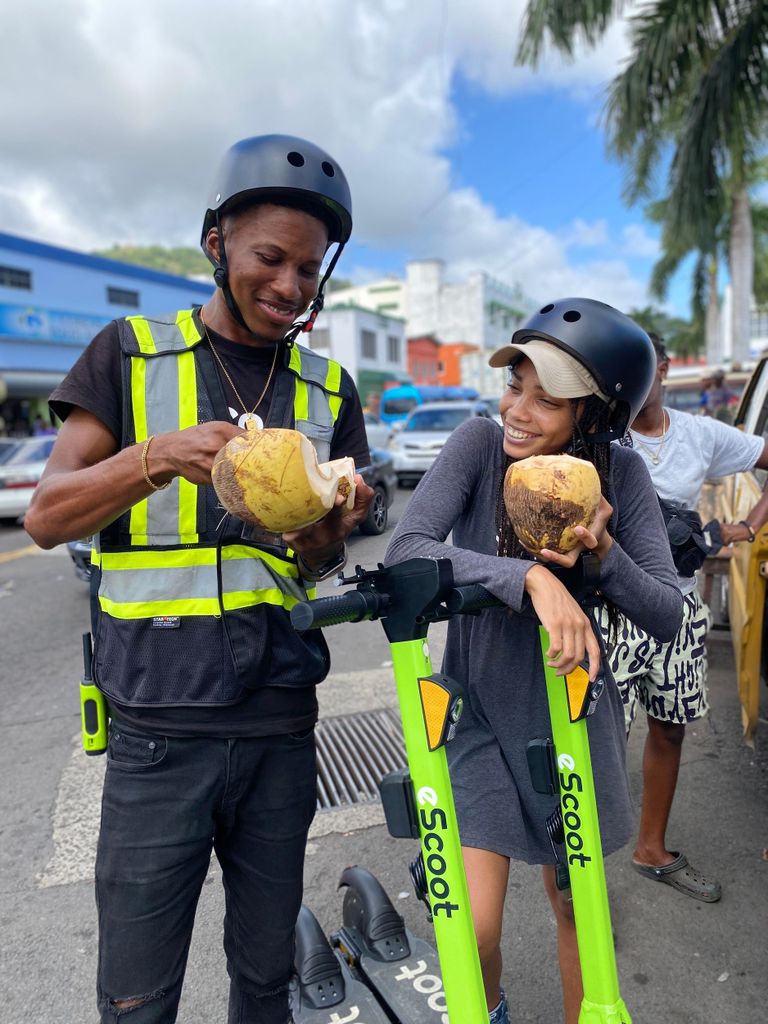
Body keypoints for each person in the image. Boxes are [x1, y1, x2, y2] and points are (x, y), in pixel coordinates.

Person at [25, 134, 373, 1024]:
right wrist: (154, 456)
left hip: (280, 734)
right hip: (155, 737)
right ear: (216, 243)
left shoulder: (330, 389)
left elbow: (312, 564)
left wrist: (331, 527)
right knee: (138, 999)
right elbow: (47, 515)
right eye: (269, 258)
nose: (290, 286)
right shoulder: (130, 354)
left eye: (308, 268)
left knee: (264, 985)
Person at [384, 298, 683, 1024]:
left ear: (595, 416)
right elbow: (407, 549)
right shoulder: (478, 446)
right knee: (472, 927)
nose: (518, 409)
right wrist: (530, 577)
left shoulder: (623, 477)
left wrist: (605, 557)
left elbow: (667, 612)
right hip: (475, 714)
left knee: (579, 911)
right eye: (515, 385)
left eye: (547, 399)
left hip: (571, 715)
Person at [606, 331, 768, 903]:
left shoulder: (699, 435)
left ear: (666, 368)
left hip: (677, 606)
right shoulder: (598, 432)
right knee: (596, 738)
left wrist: (745, 527)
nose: (634, 377)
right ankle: (574, 878)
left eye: (644, 365)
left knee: (669, 728)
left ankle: (651, 848)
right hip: (612, 611)